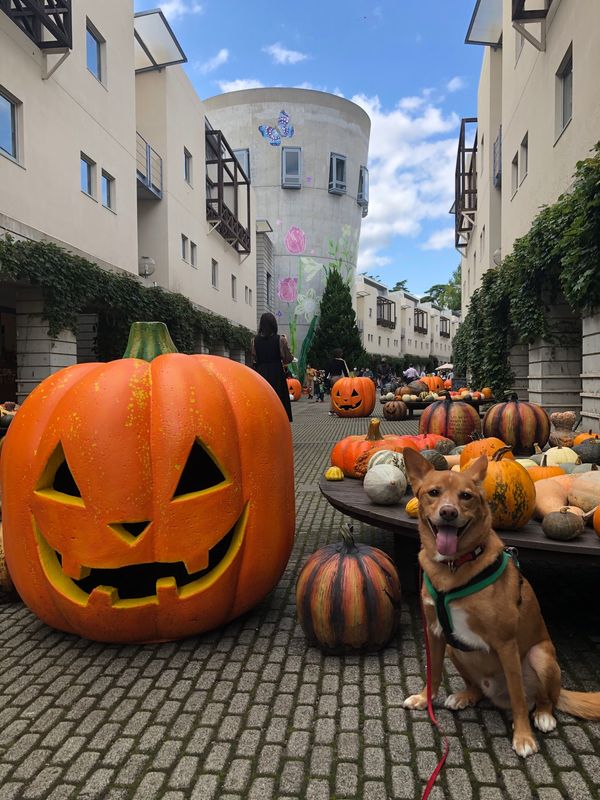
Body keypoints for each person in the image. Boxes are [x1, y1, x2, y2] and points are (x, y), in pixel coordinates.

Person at [252, 312, 293, 422]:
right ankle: (279, 423)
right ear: (274, 324)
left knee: (263, 401)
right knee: (278, 400)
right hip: (276, 373)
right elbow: (288, 359)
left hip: (261, 373)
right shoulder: (280, 340)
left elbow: (255, 358)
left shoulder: (254, 340)